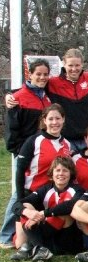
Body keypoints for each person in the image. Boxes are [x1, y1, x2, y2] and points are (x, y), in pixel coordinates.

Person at [1, 59, 52, 248]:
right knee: (20, 191)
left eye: (45, 74)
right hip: (26, 152)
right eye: (38, 74)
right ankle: (6, 235)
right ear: (29, 74)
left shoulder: (45, 97)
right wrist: (20, 150)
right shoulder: (19, 97)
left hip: (41, 151)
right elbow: (12, 129)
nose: (42, 77)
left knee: (32, 190)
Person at [11, 157, 84, 262]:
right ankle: (40, 248)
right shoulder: (46, 189)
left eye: (65, 170)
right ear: (52, 173)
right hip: (48, 236)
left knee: (66, 213)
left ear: (71, 173)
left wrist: (44, 213)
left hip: (68, 240)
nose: (61, 174)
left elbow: (70, 206)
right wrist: (29, 213)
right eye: (57, 170)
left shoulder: (78, 190)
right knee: (26, 206)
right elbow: (17, 205)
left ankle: (31, 247)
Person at [16, 104, 72, 204]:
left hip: (53, 197)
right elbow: (20, 171)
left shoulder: (67, 144)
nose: (54, 122)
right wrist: (20, 199)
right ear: (45, 121)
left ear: (63, 119)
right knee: (13, 216)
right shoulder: (33, 141)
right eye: (50, 119)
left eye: (58, 118)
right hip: (31, 194)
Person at [46, 48, 88, 151]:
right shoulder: (53, 83)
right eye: (70, 65)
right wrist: (10, 95)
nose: (74, 69)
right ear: (64, 64)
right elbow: (32, 88)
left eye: (77, 65)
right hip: (65, 139)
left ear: (82, 64)